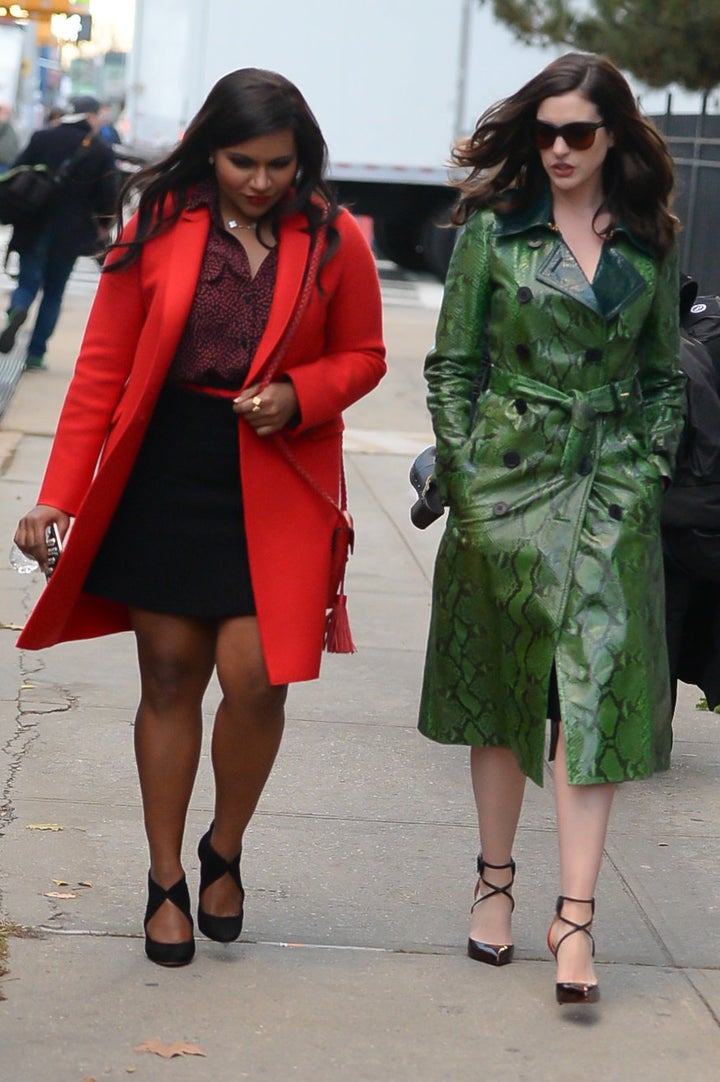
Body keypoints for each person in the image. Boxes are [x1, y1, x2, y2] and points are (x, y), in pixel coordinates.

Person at [13, 68, 386, 968]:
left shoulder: (333, 238)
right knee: (172, 676)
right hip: (165, 471)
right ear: (207, 148)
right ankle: (167, 877)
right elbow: (101, 368)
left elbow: (365, 354)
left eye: (279, 165)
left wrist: (299, 394)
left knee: (257, 676)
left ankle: (228, 844)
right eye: (241, 162)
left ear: (304, 160)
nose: (260, 181)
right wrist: (58, 492)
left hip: (276, 474)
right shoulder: (156, 226)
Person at [418, 52, 685, 1005]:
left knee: (594, 694)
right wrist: (470, 481)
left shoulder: (651, 240)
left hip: (611, 485)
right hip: (508, 480)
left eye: (578, 132)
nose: (559, 149)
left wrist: (646, 472)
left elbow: (663, 377)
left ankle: (574, 919)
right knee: (502, 690)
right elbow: (451, 369)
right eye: (544, 132)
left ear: (613, 134)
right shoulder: (496, 234)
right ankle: (494, 882)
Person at [0, 95, 119, 370]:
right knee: (54, 292)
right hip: (72, 233)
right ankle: (35, 354)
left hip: (34, 223)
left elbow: (18, 169)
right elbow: (109, 195)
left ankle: (17, 309)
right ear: (89, 116)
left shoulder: (43, 137)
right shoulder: (101, 150)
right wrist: (103, 226)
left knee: (27, 283)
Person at [0, 103, 20, 173]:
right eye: (5, 112)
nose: (7, 114)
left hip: (9, 161)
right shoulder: (3, 123)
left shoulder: (9, 125)